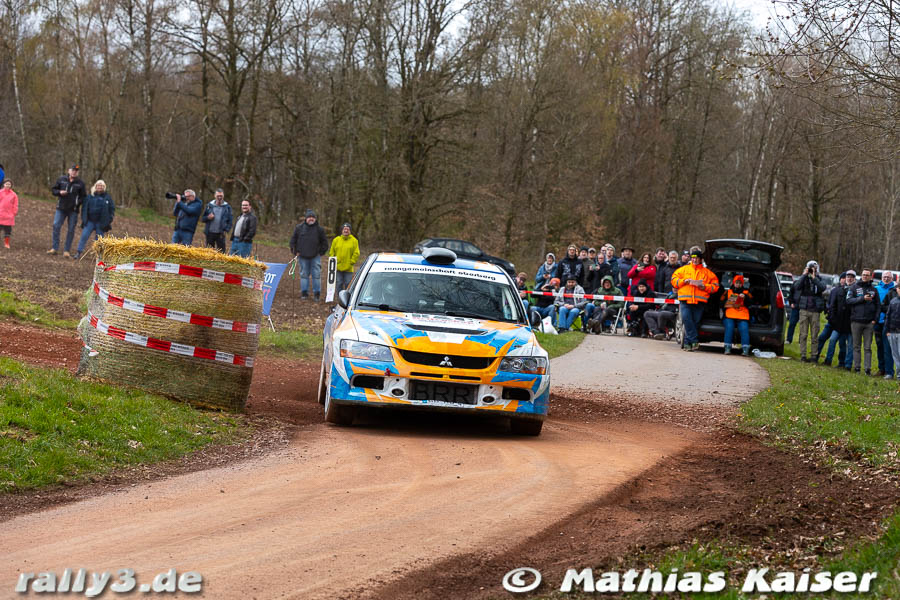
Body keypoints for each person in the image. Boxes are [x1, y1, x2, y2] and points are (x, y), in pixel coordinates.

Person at [671, 245, 719, 351]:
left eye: (696, 258)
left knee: (695, 322)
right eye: (693, 258)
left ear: (701, 259)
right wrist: (684, 281)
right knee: (687, 319)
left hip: (699, 301)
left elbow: (715, 286)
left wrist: (704, 287)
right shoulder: (683, 269)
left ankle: (687, 344)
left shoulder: (708, 273)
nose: (694, 260)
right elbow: (674, 280)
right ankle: (694, 340)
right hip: (685, 300)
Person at [289, 209, 328, 300]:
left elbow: (325, 243)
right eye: (309, 217)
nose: (311, 219)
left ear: (315, 219)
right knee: (304, 275)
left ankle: (317, 294)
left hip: (315, 257)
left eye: (313, 217)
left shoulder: (320, 229)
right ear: (306, 218)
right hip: (302, 257)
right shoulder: (299, 228)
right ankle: (304, 293)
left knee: (316, 276)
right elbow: (293, 241)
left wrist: (320, 253)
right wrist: (295, 251)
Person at [49, 164, 86, 257]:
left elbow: (83, 197)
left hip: (73, 210)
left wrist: (77, 202)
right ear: (69, 171)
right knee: (56, 226)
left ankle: (66, 250)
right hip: (61, 208)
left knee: (71, 230)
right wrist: (59, 192)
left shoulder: (80, 183)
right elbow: (53, 190)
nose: (74, 172)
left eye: (76, 171)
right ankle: (54, 248)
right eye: (73, 170)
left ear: (78, 172)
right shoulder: (61, 179)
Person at [846, 268, 879, 374]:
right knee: (856, 346)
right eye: (864, 274)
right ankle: (857, 368)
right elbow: (848, 300)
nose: (865, 276)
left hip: (869, 323)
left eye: (867, 275)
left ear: (870, 277)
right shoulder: (854, 287)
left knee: (867, 347)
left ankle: (867, 369)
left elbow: (878, 305)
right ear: (861, 275)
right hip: (856, 321)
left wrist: (875, 319)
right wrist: (862, 299)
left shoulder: (874, 289)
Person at [792, 260, 825, 362]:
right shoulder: (804, 278)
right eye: (810, 268)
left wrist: (814, 277)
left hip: (815, 311)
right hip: (804, 310)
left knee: (814, 335)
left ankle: (814, 356)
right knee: (803, 334)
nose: (812, 270)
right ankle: (803, 355)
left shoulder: (819, 279)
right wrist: (804, 275)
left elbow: (822, 287)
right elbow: (796, 286)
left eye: (814, 268)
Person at [74, 180, 114, 260]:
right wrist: (84, 219)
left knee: (99, 240)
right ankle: (78, 252)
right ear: (95, 186)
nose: (99, 187)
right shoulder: (89, 197)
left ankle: (98, 256)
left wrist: (108, 220)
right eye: (98, 185)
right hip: (89, 221)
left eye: (101, 186)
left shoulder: (107, 198)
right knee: (84, 236)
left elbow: (111, 209)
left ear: (104, 187)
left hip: (101, 223)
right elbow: (84, 208)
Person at [822, 270, 854, 369]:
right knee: (832, 340)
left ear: (854, 279)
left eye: (851, 277)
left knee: (843, 344)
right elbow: (833, 305)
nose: (849, 279)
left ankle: (843, 363)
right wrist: (833, 319)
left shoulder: (855, 290)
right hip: (837, 323)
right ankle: (828, 360)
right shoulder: (839, 290)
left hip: (849, 324)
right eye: (848, 277)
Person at [815, 272, 847, 361]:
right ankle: (815, 356)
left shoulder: (848, 291)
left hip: (841, 323)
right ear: (840, 279)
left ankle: (831, 360)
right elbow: (829, 303)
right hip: (831, 321)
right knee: (821, 338)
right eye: (843, 278)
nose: (844, 280)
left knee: (838, 342)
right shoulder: (834, 290)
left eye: (846, 278)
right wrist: (827, 309)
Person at [721, 275, 752, 355]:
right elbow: (720, 303)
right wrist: (730, 301)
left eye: (740, 283)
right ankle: (727, 348)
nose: (738, 284)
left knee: (744, 328)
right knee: (729, 327)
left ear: (742, 284)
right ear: (733, 283)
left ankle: (745, 349)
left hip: (742, 315)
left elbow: (752, 303)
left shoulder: (746, 292)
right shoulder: (728, 292)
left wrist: (745, 298)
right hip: (729, 315)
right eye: (737, 283)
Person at [874, 270, 896, 377]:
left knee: (888, 348)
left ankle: (889, 371)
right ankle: (881, 369)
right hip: (878, 321)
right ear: (881, 278)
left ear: (892, 279)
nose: (886, 278)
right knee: (879, 346)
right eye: (884, 277)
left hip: (889, 323)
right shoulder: (876, 289)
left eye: (888, 277)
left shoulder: (895, 290)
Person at [328, 223, 360, 292]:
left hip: (348, 268)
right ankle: (339, 297)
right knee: (339, 283)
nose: (346, 231)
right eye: (344, 229)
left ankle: (347, 297)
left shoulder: (354, 241)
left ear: (350, 231)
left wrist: (351, 262)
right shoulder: (336, 240)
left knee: (348, 284)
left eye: (348, 229)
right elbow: (332, 251)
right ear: (342, 230)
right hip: (337, 267)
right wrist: (333, 261)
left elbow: (356, 253)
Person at [884, 287, 900, 382]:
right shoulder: (893, 301)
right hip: (892, 331)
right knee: (895, 355)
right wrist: (887, 330)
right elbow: (888, 316)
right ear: (897, 289)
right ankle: (899, 375)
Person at [0, 179, 19, 249]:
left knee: (7, 231)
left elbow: (15, 204)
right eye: (6, 184)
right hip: (0, 214)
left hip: (9, 216)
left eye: (9, 184)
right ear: (4, 184)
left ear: (11, 185)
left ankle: (7, 243)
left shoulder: (14, 195)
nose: (7, 185)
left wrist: (14, 212)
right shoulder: (0, 192)